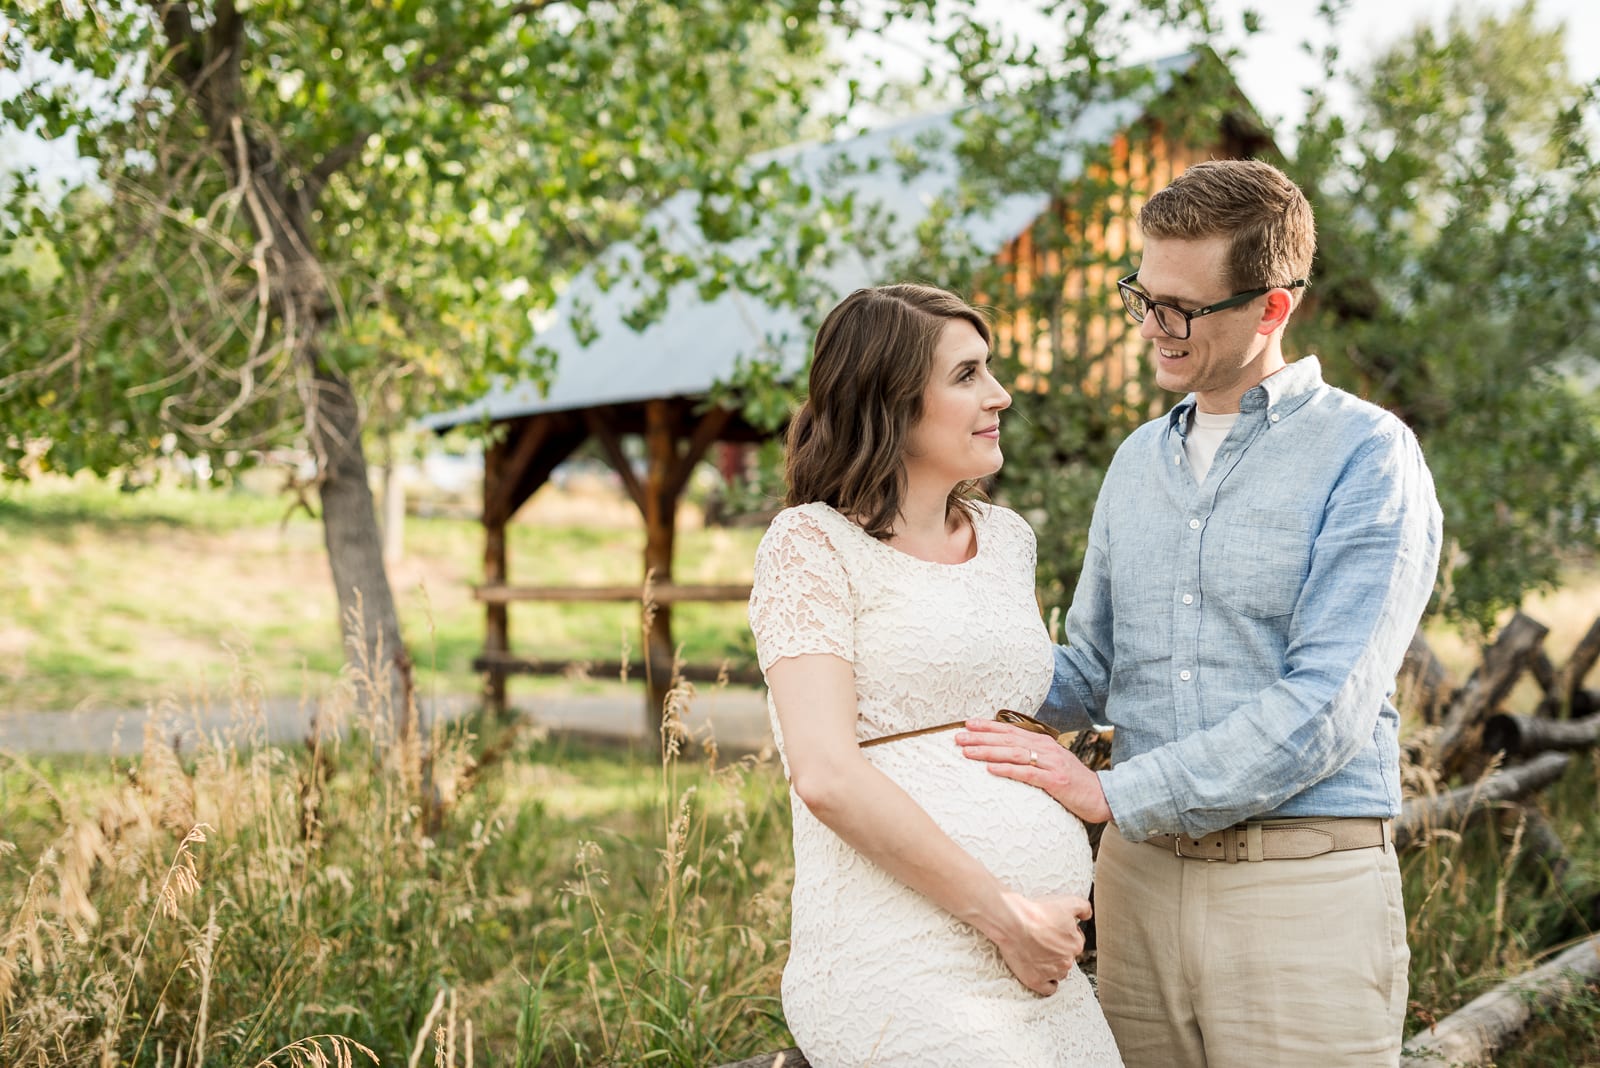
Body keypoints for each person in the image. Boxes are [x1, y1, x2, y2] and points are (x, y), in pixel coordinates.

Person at [957, 158, 1443, 1067]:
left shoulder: (1368, 454)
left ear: (1271, 307)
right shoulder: (1136, 460)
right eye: (1143, 295)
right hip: (1135, 887)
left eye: (1181, 308)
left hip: (1301, 892)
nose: (1152, 327)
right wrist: (928, 666)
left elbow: (1325, 707)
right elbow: (1088, 668)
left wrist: (1108, 793)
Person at [747, 283, 1123, 1066]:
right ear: (888, 401)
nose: (1001, 394)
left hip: (1040, 966)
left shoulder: (1007, 540)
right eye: (967, 375)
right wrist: (1006, 916)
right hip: (901, 953)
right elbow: (825, 776)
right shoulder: (809, 546)